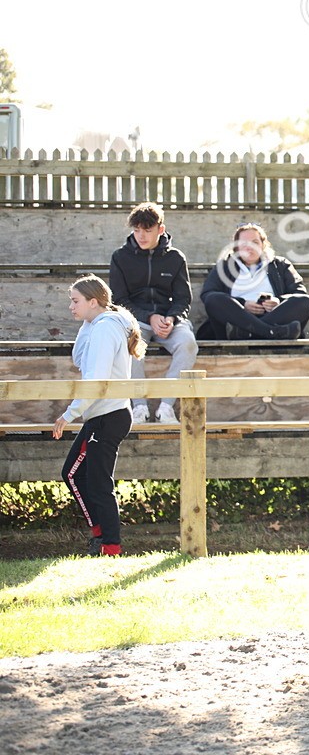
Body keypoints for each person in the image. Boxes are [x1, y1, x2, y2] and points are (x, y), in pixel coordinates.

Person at [52, 274, 147, 557]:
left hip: (108, 414)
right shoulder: (99, 325)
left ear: (94, 301)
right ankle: (101, 536)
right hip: (103, 413)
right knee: (74, 474)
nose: (71, 306)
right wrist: (87, 320)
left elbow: (97, 378)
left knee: (96, 482)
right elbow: (79, 359)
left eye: (76, 301)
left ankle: (110, 545)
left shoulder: (106, 329)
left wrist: (70, 414)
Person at [109, 202, 198, 424]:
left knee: (188, 344)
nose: (141, 236)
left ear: (160, 229)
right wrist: (149, 316)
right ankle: (138, 407)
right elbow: (119, 300)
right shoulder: (120, 257)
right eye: (137, 230)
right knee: (129, 342)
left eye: (147, 230)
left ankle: (166, 407)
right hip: (136, 319)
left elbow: (183, 298)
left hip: (170, 319)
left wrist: (172, 318)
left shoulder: (176, 258)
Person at [200, 222, 309, 340]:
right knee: (214, 299)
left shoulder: (280, 265)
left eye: (255, 242)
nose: (250, 247)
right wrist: (242, 304)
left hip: (273, 317)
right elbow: (207, 294)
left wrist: (278, 301)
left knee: (305, 301)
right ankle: (270, 333)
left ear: (263, 245)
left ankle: (248, 334)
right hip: (237, 320)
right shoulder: (224, 267)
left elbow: (299, 293)